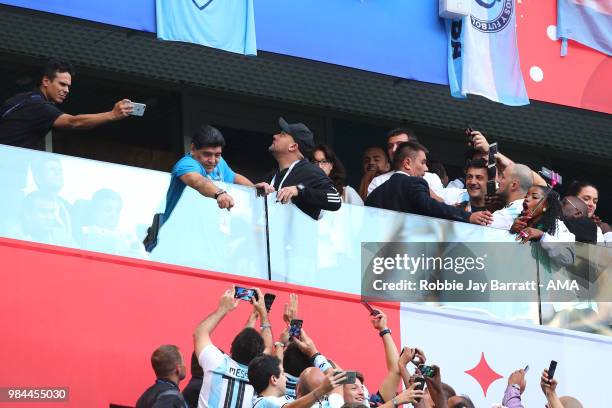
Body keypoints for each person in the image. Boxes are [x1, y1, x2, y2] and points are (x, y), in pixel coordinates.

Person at [143, 125, 248, 251]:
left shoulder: (219, 162)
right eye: (207, 154)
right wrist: (220, 193)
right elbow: (199, 182)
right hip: (176, 241)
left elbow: (234, 177)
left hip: (209, 240)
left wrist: (254, 188)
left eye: (217, 155)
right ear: (193, 149)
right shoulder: (186, 164)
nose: (213, 160)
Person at [0, 58, 133, 151]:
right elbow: (74, 122)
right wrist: (113, 114)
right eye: (62, 84)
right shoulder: (39, 107)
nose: (66, 90)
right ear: (46, 81)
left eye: (68, 86)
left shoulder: (20, 99)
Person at [365, 142, 493, 226]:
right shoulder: (414, 183)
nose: (426, 168)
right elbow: (429, 206)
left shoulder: (373, 195)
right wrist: (468, 217)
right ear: (407, 163)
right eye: (423, 162)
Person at [193, 287, 269, 408]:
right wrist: (263, 314)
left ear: (232, 348)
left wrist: (222, 309)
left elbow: (200, 333)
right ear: (259, 357)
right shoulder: (260, 377)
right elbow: (268, 348)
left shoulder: (215, 363)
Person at [256, 118, 341, 220]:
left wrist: (299, 190)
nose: (275, 136)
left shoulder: (310, 171)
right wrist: (254, 189)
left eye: (282, 134)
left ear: (293, 146)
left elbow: (335, 199)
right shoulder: (271, 176)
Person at [366, 129, 444, 198]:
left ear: (414, 148)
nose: (393, 149)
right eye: (390, 146)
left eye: (400, 145)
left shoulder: (432, 179)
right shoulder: (378, 181)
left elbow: (439, 209)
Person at [248, 354, 347, 408]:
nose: (286, 379)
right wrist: (321, 390)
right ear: (274, 379)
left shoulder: (281, 400)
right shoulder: (263, 402)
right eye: (283, 374)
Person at [488, 163, 534, 231]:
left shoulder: (502, 216)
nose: (498, 180)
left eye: (503, 177)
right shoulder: (529, 210)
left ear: (513, 185)